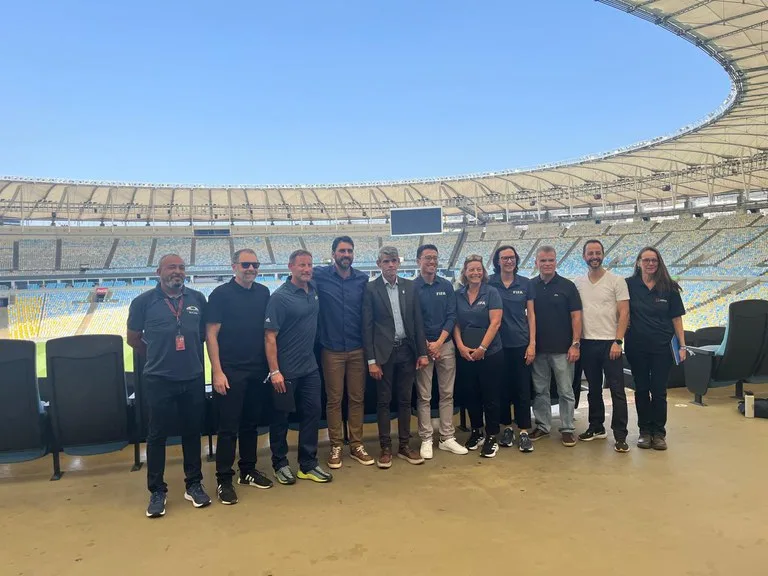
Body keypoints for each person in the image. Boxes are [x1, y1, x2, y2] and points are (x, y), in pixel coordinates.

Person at [127, 254, 210, 518]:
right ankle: (157, 491)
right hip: (159, 379)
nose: (178, 271)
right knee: (156, 436)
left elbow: (202, 337)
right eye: (171, 267)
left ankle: (194, 484)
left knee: (192, 432)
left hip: (193, 377)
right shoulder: (143, 302)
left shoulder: (197, 299)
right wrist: (157, 358)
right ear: (159, 272)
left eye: (181, 267)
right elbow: (134, 340)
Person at [206, 248, 273, 506]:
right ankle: (224, 479)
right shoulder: (220, 295)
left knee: (250, 425)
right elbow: (211, 334)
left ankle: (247, 470)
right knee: (227, 429)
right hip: (231, 371)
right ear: (234, 266)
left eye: (255, 264)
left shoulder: (263, 292)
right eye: (246, 264)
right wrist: (217, 371)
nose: (251, 269)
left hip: (257, 369)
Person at [265, 249, 333, 484]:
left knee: (312, 415)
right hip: (285, 372)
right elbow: (270, 337)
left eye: (309, 265)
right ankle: (280, 464)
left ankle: (308, 464)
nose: (306, 269)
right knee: (281, 420)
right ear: (290, 267)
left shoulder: (313, 290)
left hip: (310, 369)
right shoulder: (280, 297)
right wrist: (275, 371)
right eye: (301, 265)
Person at [362, 246, 429, 469]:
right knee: (383, 401)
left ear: (398, 263)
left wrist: (422, 352)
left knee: (404, 400)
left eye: (394, 261)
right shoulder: (371, 289)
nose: (391, 265)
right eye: (386, 261)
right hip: (384, 353)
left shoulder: (409, 287)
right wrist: (372, 360)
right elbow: (367, 327)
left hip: (407, 352)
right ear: (379, 264)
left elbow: (417, 322)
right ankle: (385, 448)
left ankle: (404, 446)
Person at [313, 236, 374, 469]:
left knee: (357, 398)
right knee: (334, 400)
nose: (346, 254)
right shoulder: (320, 275)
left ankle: (356, 444)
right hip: (332, 350)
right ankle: (336, 445)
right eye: (342, 251)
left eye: (349, 250)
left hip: (358, 349)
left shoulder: (362, 279)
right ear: (333, 253)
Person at [625, 247, 686, 451]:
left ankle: (659, 433)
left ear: (659, 263)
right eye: (646, 260)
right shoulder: (628, 285)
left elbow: (676, 318)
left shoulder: (669, 287)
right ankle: (644, 431)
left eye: (654, 260)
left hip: (662, 348)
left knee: (659, 391)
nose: (650, 264)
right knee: (641, 389)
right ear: (638, 262)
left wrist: (682, 346)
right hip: (636, 347)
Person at [574, 239, 630, 453]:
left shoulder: (616, 281)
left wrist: (618, 340)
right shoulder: (578, 283)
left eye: (598, 252)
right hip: (588, 342)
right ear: (584, 256)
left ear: (603, 255)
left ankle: (620, 434)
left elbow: (624, 312)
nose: (594, 256)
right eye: (590, 253)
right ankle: (596, 427)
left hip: (610, 343)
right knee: (593, 389)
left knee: (617, 390)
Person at [413, 244, 467, 459]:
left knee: (447, 394)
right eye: (427, 258)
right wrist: (427, 345)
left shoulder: (445, 285)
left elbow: (451, 315)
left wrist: (439, 342)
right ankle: (426, 438)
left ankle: (447, 437)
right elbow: (413, 319)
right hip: (422, 348)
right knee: (424, 395)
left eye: (435, 257)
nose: (432, 262)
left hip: (445, 346)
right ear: (418, 261)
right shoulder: (411, 287)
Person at [530, 246, 582, 447]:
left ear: (556, 262)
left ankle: (567, 428)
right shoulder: (531, 286)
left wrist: (575, 344)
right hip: (539, 349)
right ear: (536, 263)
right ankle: (543, 426)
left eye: (550, 260)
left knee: (565, 391)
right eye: (543, 261)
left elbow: (576, 317)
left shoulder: (568, 286)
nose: (547, 264)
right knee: (540, 391)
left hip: (563, 349)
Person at [454, 255, 504, 458]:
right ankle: (477, 431)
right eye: (471, 269)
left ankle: (492, 435)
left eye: (478, 269)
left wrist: (483, 347)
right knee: (471, 395)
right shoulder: (458, 295)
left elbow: (495, 323)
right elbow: (455, 323)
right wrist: (460, 346)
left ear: (483, 272)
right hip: (466, 354)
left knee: (490, 396)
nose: (475, 273)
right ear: (465, 273)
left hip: (490, 353)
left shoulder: (491, 292)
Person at [488, 245, 536, 453]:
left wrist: (532, 343)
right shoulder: (489, 282)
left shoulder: (525, 283)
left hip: (520, 343)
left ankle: (524, 431)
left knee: (522, 389)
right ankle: (506, 428)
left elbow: (532, 315)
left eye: (512, 257)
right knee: (502, 389)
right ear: (497, 261)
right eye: (504, 258)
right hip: (497, 346)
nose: (508, 261)